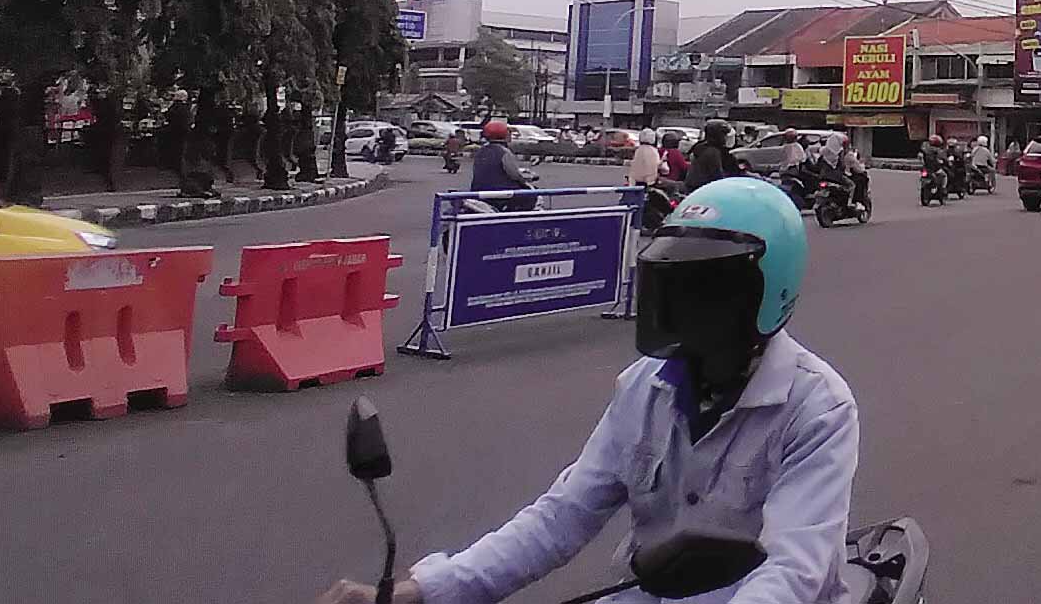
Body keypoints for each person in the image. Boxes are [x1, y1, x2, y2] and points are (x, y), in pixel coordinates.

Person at [316, 178, 857, 604]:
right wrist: (426, 591)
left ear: (764, 292)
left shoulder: (818, 408)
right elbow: (563, 516)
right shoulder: (645, 387)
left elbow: (794, 569)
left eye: (703, 291)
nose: (679, 309)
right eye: (674, 288)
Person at [469, 119, 537, 212]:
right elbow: (514, 174)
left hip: (478, 190)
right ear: (503, 134)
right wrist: (524, 178)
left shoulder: (481, 151)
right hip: (501, 191)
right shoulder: (504, 152)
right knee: (530, 195)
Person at [685, 119, 735, 191]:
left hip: (696, 188)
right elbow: (718, 177)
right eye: (724, 135)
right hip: (702, 190)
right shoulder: (713, 152)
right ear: (718, 135)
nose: (726, 138)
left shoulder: (701, 147)